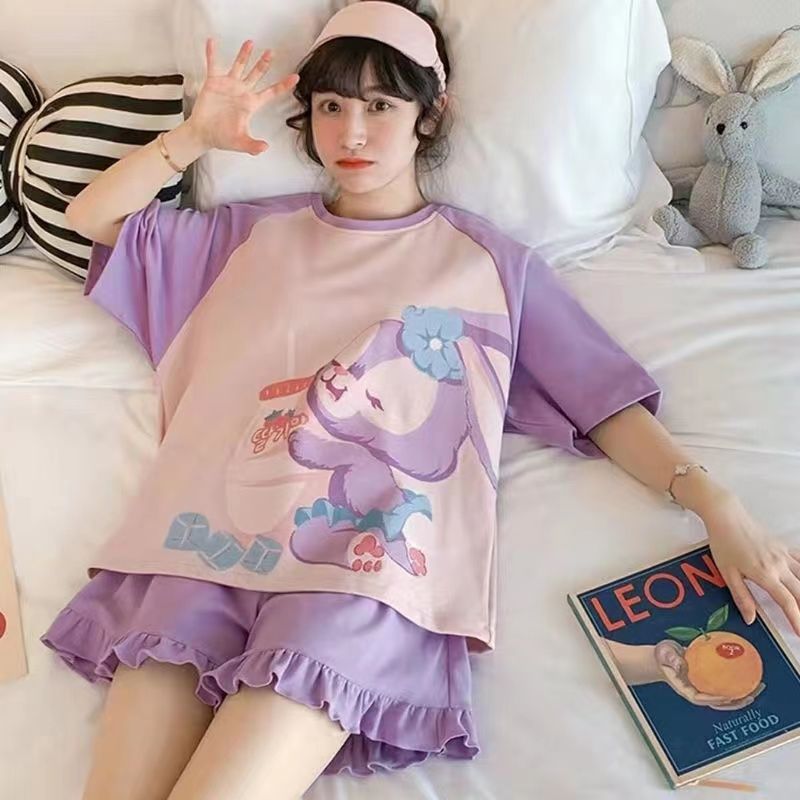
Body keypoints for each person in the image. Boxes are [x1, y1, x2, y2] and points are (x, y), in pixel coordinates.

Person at [40, 2, 800, 798]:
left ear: (430, 114)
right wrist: (194, 138)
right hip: (197, 551)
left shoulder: (487, 266)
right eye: (331, 105)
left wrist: (714, 503)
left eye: (380, 105)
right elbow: (93, 217)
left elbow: (603, 402)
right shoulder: (241, 237)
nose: (352, 132)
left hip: (361, 576)